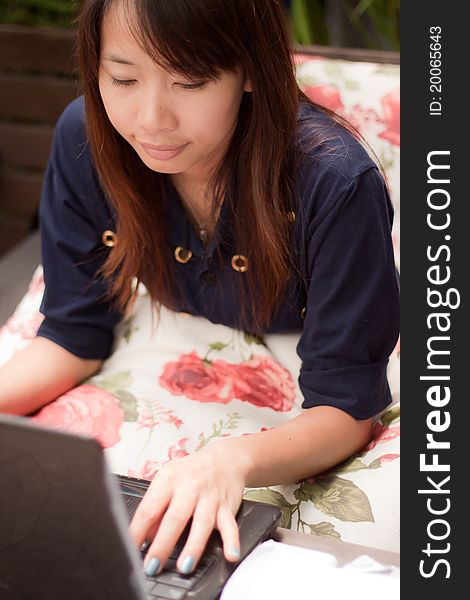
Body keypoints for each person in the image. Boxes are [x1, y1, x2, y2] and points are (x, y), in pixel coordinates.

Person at [0, 0, 399, 580]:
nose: (152, 119)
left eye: (189, 80)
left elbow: (345, 407)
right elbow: (72, 332)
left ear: (251, 70)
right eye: (124, 78)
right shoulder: (86, 138)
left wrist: (228, 459)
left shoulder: (335, 181)